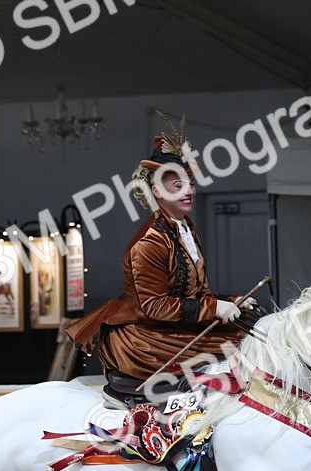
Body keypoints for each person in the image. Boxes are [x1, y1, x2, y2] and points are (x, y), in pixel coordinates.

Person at [65, 119, 252, 399]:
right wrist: (214, 308)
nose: (189, 191)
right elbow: (154, 307)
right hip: (146, 337)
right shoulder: (149, 243)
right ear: (157, 192)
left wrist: (232, 300)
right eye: (178, 185)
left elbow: (193, 293)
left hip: (172, 327)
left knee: (250, 326)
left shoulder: (185, 228)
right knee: (241, 343)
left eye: (190, 184)